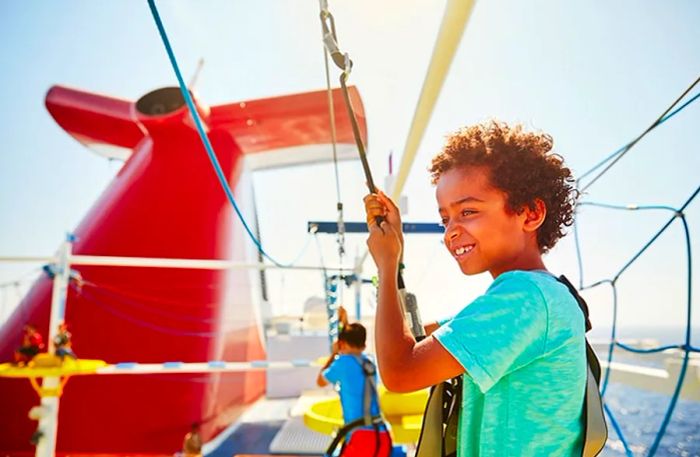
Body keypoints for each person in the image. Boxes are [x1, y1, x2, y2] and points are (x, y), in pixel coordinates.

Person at [364, 120, 585, 456]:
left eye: (467, 211)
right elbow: (417, 338)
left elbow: (399, 371)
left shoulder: (523, 300)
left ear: (530, 213)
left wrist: (387, 263)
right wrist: (395, 256)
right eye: (445, 218)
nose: (451, 232)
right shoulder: (536, 297)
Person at [317, 316, 391, 456]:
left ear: (342, 344)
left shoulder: (342, 363)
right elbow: (352, 339)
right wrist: (344, 323)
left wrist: (334, 353)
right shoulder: (369, 362)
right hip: (382, 434)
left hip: (361, 437)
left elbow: (320, 381)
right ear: (363, 345)